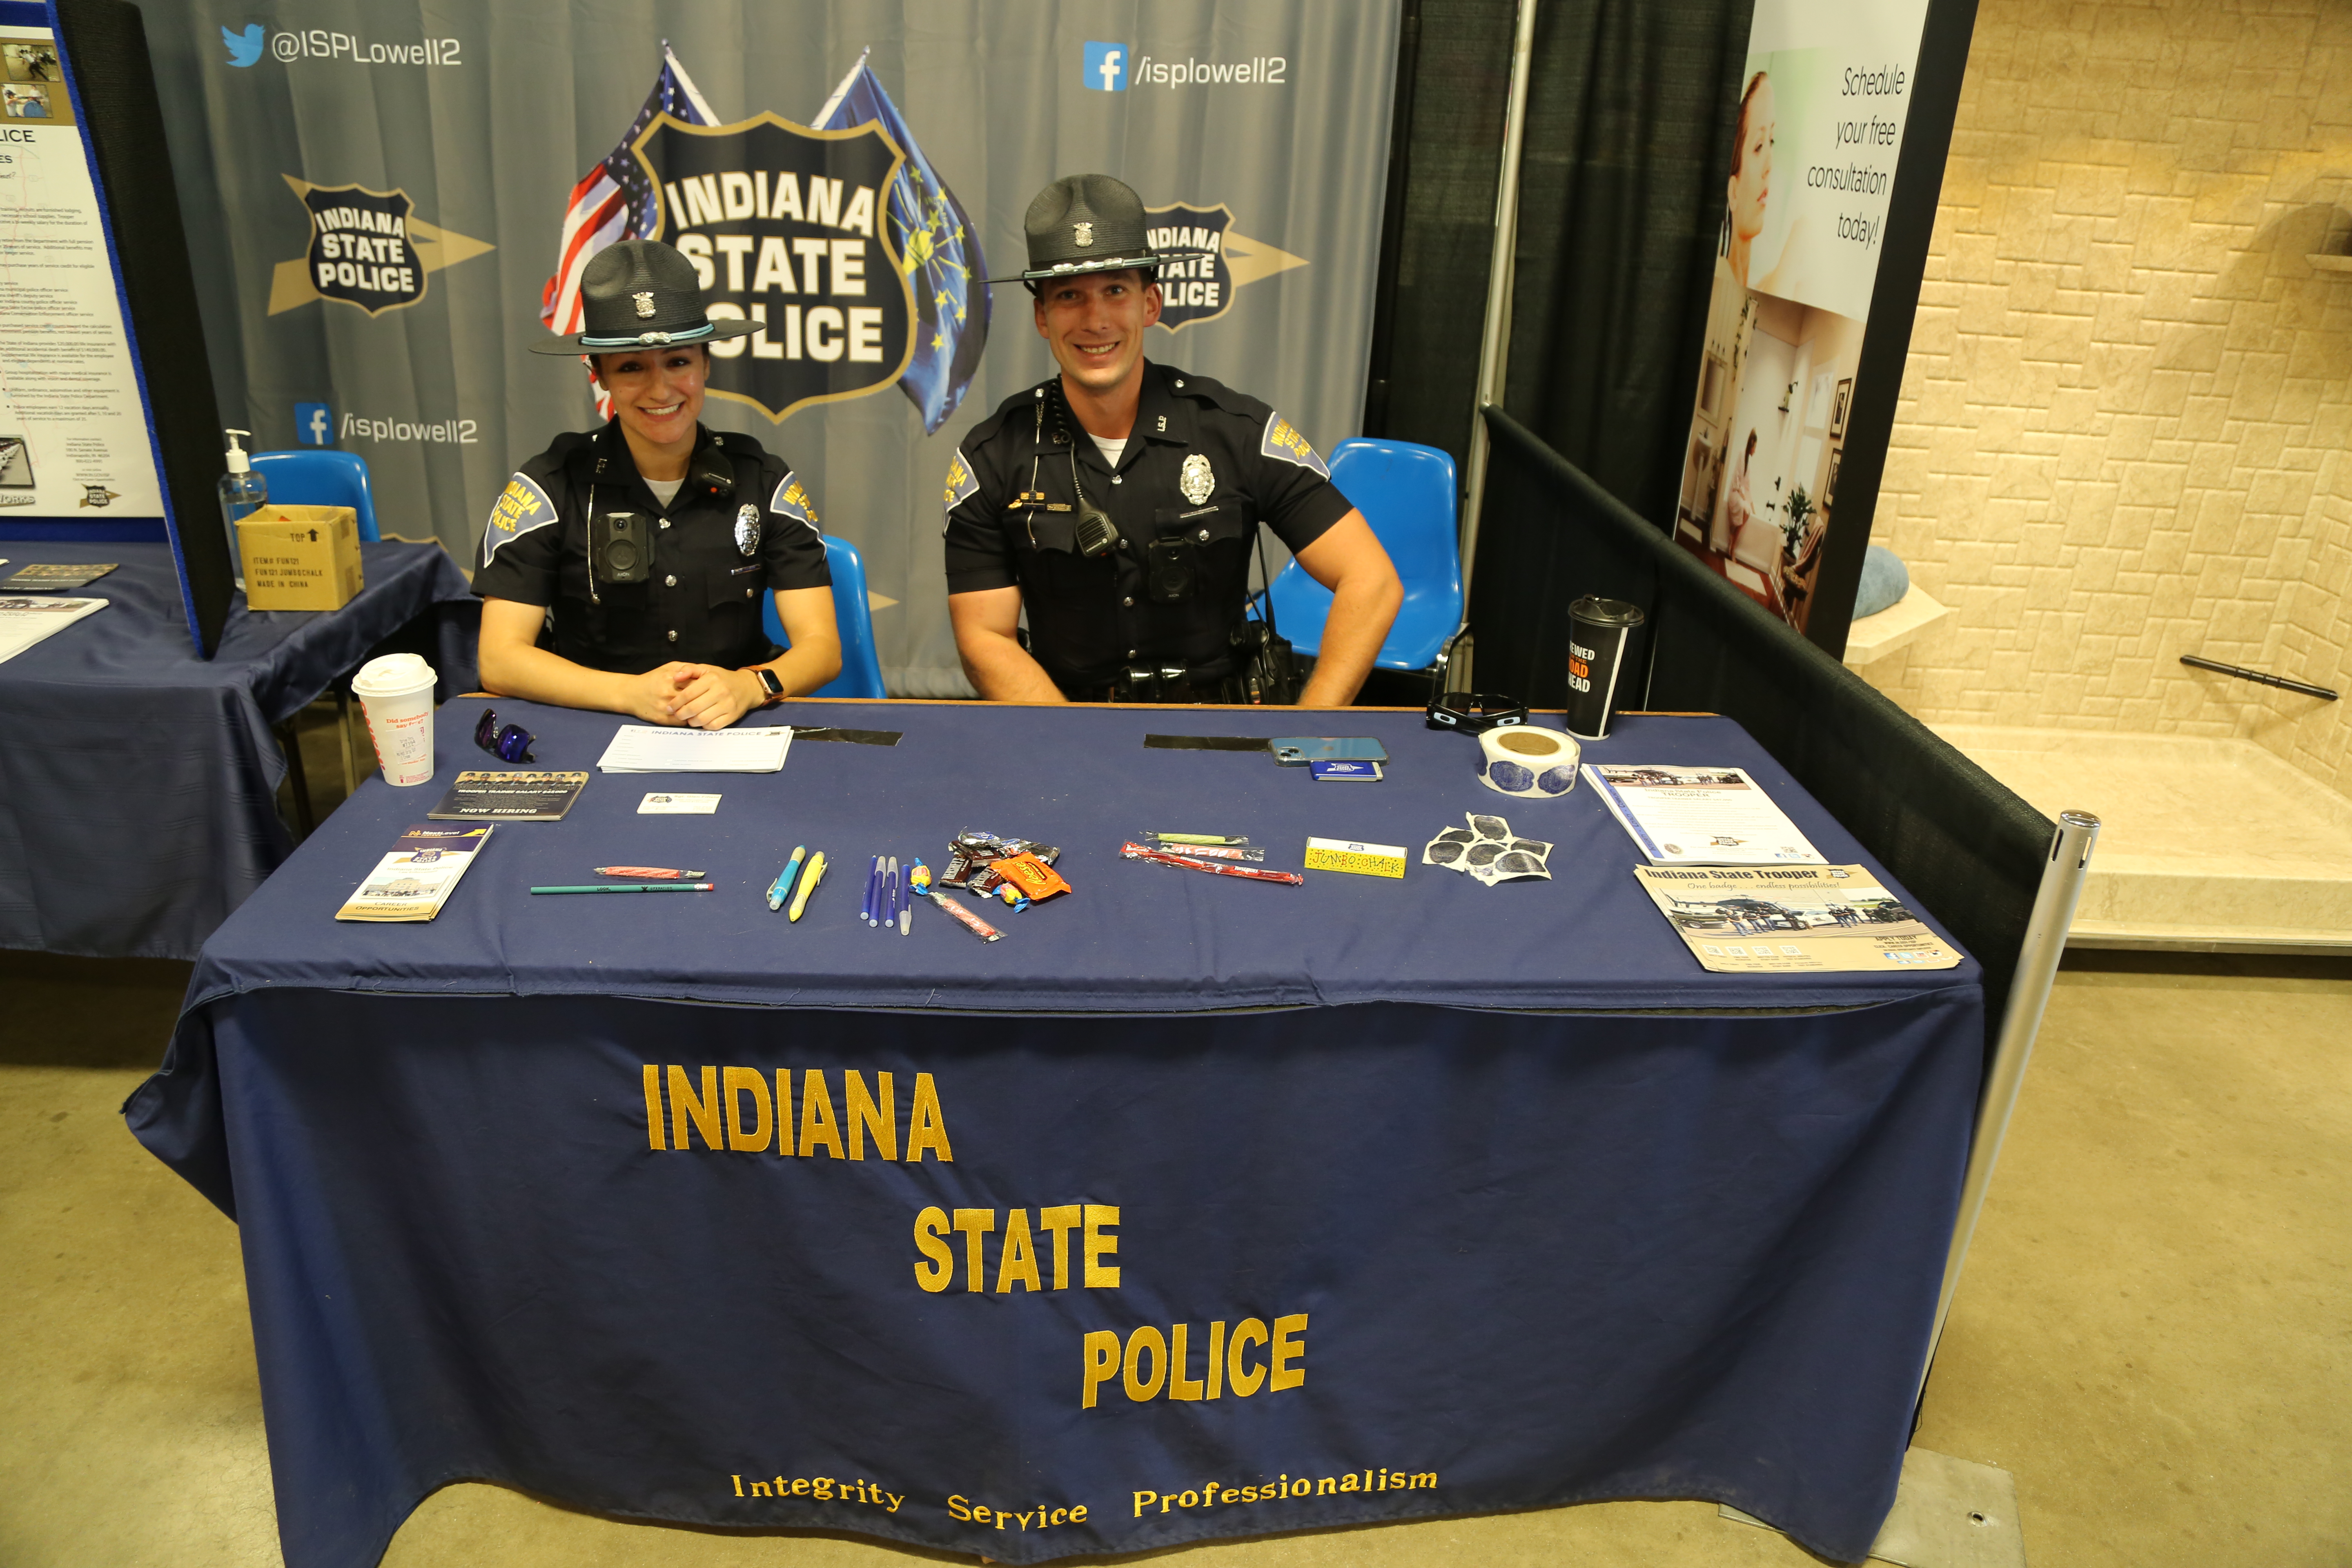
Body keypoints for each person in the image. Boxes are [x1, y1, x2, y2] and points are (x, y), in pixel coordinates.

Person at [942, 174, 1400, 705]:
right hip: (1061, 721)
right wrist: (1064, 744)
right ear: (1043, 316)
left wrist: (1310, 726)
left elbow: (1371, 579)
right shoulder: (993, 457)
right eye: (1070, 296)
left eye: (1116, 291)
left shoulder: (1235, 431)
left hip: (1216, 731)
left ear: (1151, 304)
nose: (1096, 321)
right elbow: (983, 635)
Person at [474, 240, 840, 729]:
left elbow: (823, 649)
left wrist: (753, 685)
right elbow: (499, 659)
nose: (661, 390)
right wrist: (628, 693)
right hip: (594, 720)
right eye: (631, 368)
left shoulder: (763, 478)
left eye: (679, 362)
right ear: (598, 375)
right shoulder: (550, 486)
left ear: (707, 364)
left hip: (734, 721)